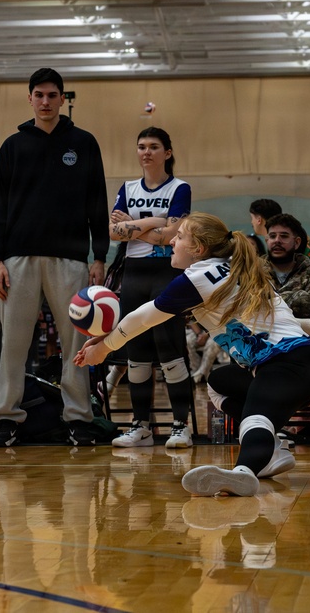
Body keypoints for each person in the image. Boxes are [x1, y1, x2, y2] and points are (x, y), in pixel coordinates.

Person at [76, 213, 310, 497]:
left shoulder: (198, 278)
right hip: (300, 362)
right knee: (219, 383)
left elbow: (143, 318)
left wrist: (104, 349)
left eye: (180, 237)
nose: (172, 241)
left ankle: (244, 472)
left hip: (287, 364)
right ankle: (274, 453)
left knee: (257, 418)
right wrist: (104, 338)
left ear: (199, 249)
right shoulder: (233, 266)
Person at [0, 68, 109, 448]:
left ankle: (78, 419)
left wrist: (99, 255)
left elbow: (97, 202)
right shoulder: (12, 146)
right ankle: (7, 417)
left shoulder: (84, 143)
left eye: (51, 95)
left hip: (70, 260)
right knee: (13, 343)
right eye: (38, 94)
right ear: (30, 98)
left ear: (61, 98)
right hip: (17, 260)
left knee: (76, 345)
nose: (45, 101)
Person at [107, 126, 194, 450]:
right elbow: (114, 232)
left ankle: (179, 426)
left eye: (154, 146)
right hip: (133, 272)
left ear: (167, 153)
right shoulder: (128, 188)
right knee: (136, 350)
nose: (146, 151)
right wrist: (156, 222)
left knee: (169, 347)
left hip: (165, 272)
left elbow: (173, 236)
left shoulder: (180, 188)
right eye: (141, 146)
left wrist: (134, 225)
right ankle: (140, 426)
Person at [263, 213, 310, 319]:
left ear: (297, 242)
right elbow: (244, 301)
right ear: (267, 240)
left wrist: (269, 300)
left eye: (284, 236)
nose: (277, 240)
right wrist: (297, 297)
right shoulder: (252, 270)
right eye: (272, 236)